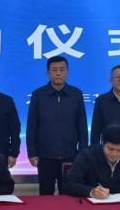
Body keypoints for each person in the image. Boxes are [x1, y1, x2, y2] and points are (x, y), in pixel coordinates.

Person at [26, 55, 88, 195]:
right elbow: (32, 126)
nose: (58, 73)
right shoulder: (38, 95)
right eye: (54, 70)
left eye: (62, 69)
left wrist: (83, 151)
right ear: (48, 73)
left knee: (69, 193)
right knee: (45, 194)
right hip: (45, 155)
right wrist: (32, 152)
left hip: (70, 155)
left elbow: (82, 125)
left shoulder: (76, 94)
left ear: (67, 72)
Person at [63, 124, 120, 198]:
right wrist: (91, 191)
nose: (114, 154)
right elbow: (69, 184)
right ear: (102, 143)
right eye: (110, 149)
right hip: (92, 208)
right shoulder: (87, 156)